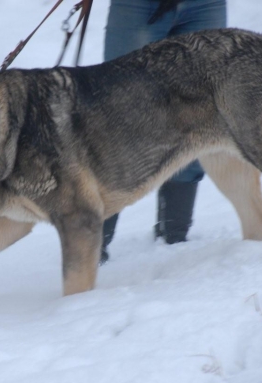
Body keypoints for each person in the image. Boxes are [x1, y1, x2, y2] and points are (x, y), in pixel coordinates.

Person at [100, 0, 227, 264]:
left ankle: (174, 236)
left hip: (205, 5)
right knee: (118, 118)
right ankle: (91, 245)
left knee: (196, 116)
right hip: (137, 6)